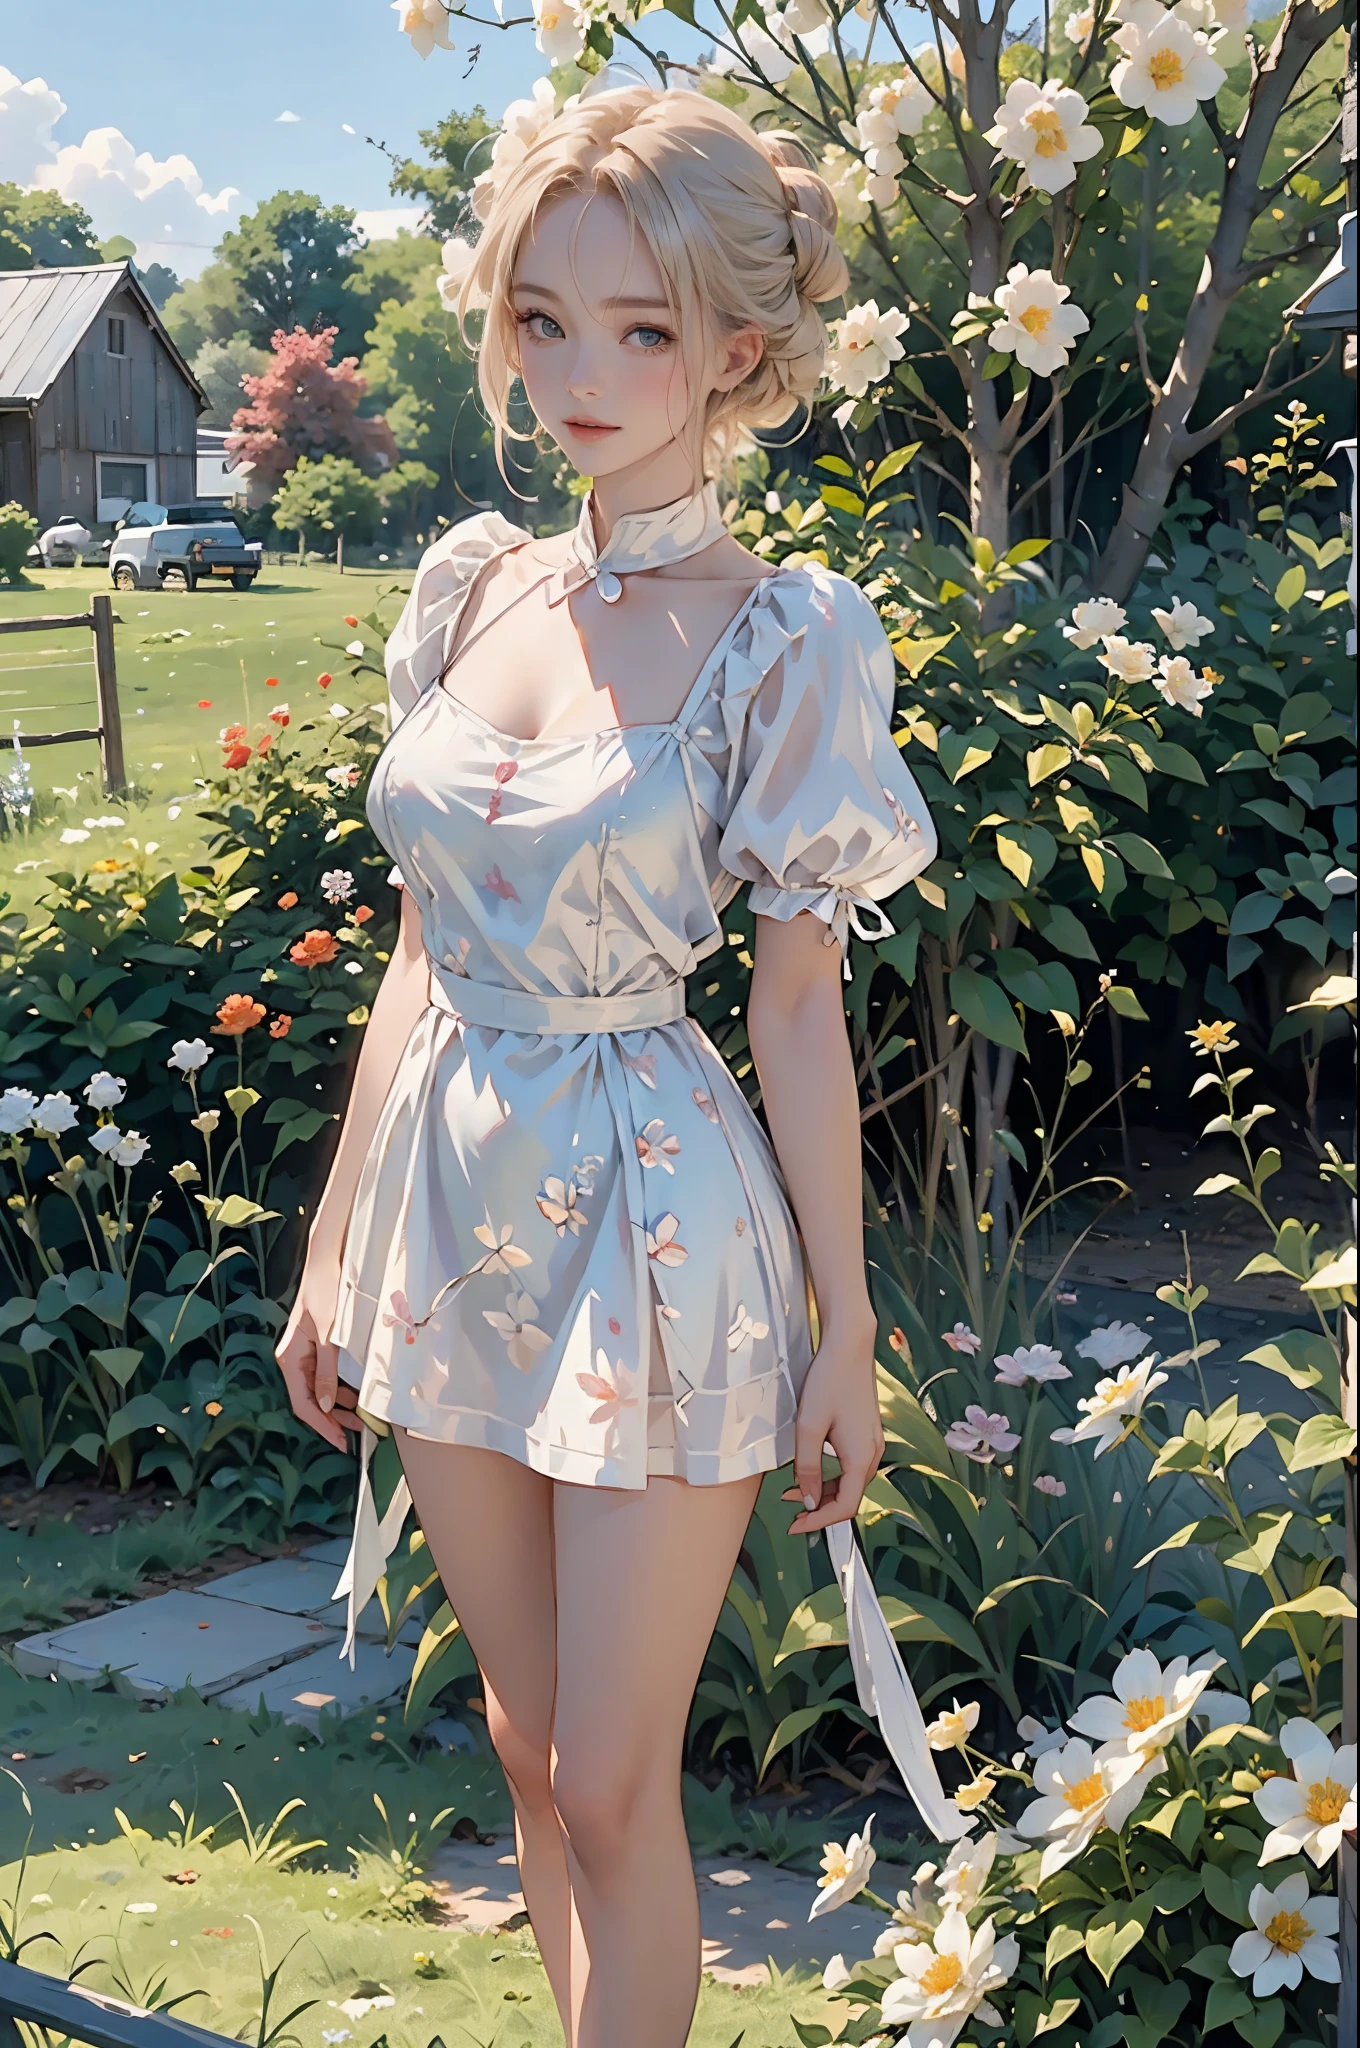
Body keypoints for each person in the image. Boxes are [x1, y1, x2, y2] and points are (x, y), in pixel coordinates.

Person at [276, 78, 957, 2047]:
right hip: (449, 1201)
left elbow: (799, 1006)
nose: (578, 370)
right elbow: (414, 958)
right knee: (514, 1735)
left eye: (640, 329)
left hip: (655, 1238)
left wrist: (843, 1328)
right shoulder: (473, 592)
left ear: (735, 352)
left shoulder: (782, 639)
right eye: (543, 318)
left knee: (604, 1775)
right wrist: (330, 1249)